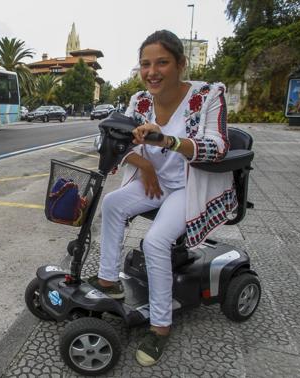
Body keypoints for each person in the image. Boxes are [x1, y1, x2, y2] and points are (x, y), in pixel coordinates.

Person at [87, 30, 235, 367]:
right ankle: (108, 281)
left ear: (181, 64)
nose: (152, 72)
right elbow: (118, 140)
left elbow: (218, 146)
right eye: (145, 64)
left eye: (162, 63)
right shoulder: (139, 101)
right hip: (157, 182)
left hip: (190, 185)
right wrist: (145, 165)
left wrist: (167, 141)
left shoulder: (208, 95)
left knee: (154, 242)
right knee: (112, 204)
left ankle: (160, 326)